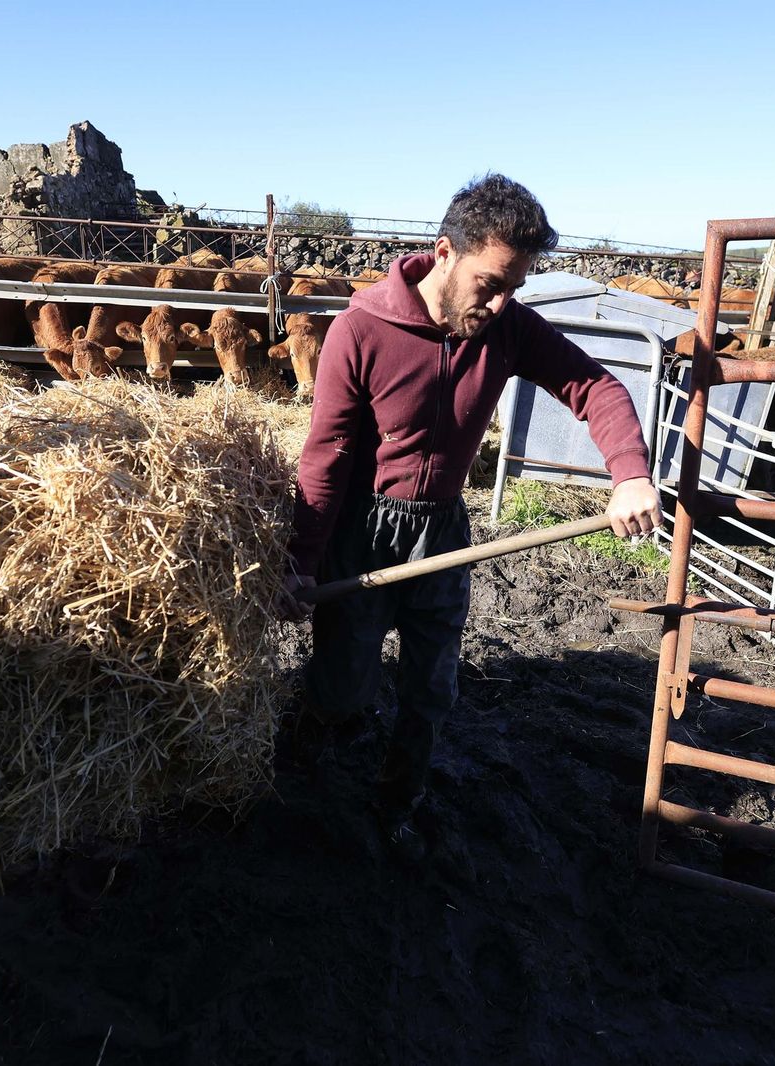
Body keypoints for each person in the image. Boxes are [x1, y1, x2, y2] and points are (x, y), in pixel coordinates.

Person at [281, 174, 662, 861]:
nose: (500, 302)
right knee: (342, 689)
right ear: (444, 253)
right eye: (491, 282)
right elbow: (328, 454)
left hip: (443, 535)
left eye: (514, 286)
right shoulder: (360, 329)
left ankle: (398, 807)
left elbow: (594, 387)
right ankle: (306, 772)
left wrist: (629, 472)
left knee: (431, 692)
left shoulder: (509, 328)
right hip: (363, 535)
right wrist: (302, 560)